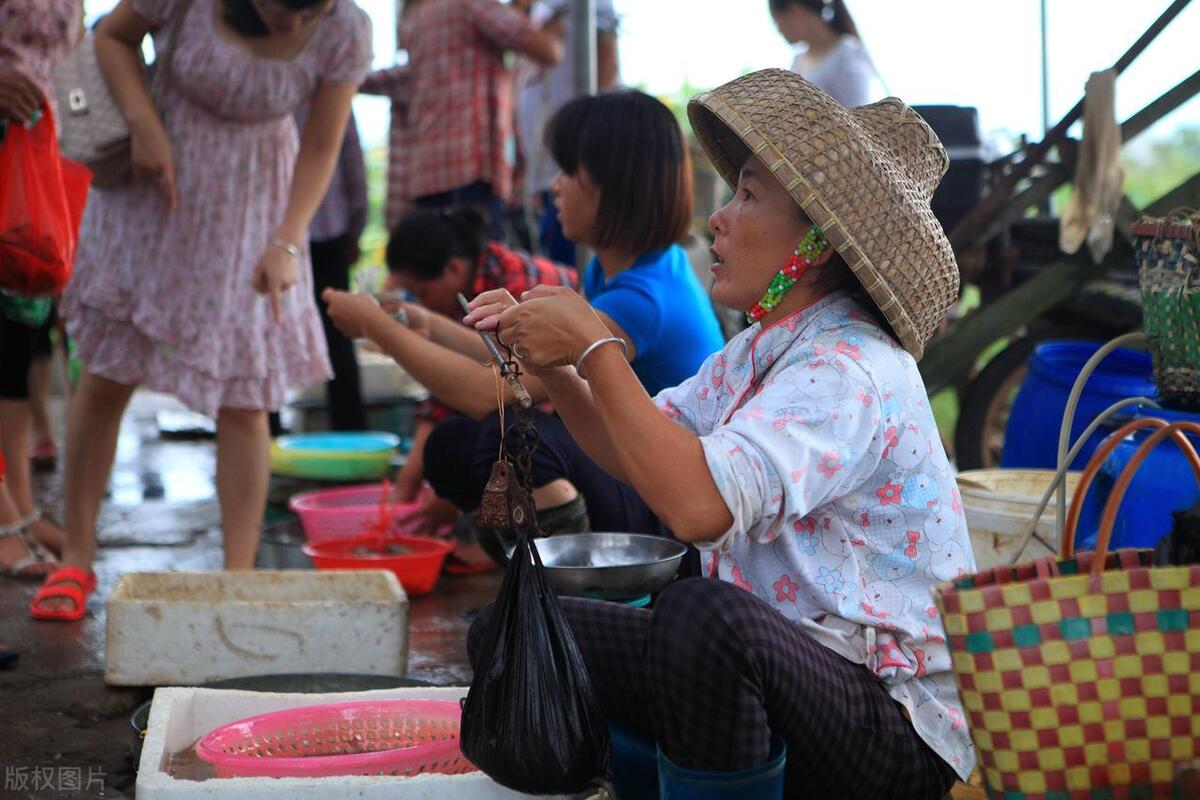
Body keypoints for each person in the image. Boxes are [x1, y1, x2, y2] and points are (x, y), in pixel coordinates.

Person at [464, 69, 976, 796]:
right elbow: (634, 451)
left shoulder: (849, 366)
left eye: (749, 195)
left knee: (702, 618)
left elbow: (698, 508)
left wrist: (593, 349)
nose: (720, 219)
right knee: (509, 637)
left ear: (817, 244)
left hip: (889, 727)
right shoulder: (762, 349)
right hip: (784, 675)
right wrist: (566, 375)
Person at [38, 0, 373, 621]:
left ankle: (237, 578)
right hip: (150, 192)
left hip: (253, 210)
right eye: (284, 8)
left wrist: (287, 241)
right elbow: (111, 38)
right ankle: (76, 558)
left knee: (245, 396)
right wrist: (143, 123)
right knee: (108, 371)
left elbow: (323, 144)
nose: (295, 25)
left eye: (314, 10)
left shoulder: (347, 28)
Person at [323, 89, 725, 555]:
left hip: (668, 510)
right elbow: (520, 362)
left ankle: (576, 581)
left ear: (613, 186)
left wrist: (378, 327)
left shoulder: (641, 300)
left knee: (508, 440)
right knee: (455, 444)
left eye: (569, 172)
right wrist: (424, 323)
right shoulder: (618, 268)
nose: (553, 186)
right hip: (634, 475)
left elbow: (486, 391)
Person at [376, 206, 578, 510]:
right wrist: (405, 489)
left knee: (507, 434)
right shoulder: (461, 295)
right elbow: (444, 393)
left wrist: (376, 327)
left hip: (566, 419)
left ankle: (516, 532)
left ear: (454, 269)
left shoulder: (511, 284)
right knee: (445, 443)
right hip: (533, 401)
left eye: (422, 293)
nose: (422, 303)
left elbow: (507, 391)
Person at [0, 0, 83, 576]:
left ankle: (19, 510)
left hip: (36, 149)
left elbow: (73, 63)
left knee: (17, 343)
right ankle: (6, 520)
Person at [379, 0, 565, 243]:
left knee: (442, 267)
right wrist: (552, 24)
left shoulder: (419, 14)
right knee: (483, 269)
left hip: (427, 176)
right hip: (471, 169)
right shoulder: (472, 4)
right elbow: (549, 51)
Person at [514, 0, 620, 264]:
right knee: (555, 258)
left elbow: (607, 63)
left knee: (575, 263)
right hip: (547, 172)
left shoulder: (582, 5)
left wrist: (592, 147)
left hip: (577, 166)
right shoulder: (539, 10)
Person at [294, 104, 368, 432]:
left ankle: (266, 439)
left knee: (263, 333)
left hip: (283, 232)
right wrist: (355, 228)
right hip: (327, 230)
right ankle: (350, 431)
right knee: (338, 335)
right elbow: (353, 165)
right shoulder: (327, 88)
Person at [770, 0, 883, 108]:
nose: (779, 30)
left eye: (777, 21)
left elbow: (859, 113)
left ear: (796, 11)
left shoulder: (846, 52)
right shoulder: (798, 60)